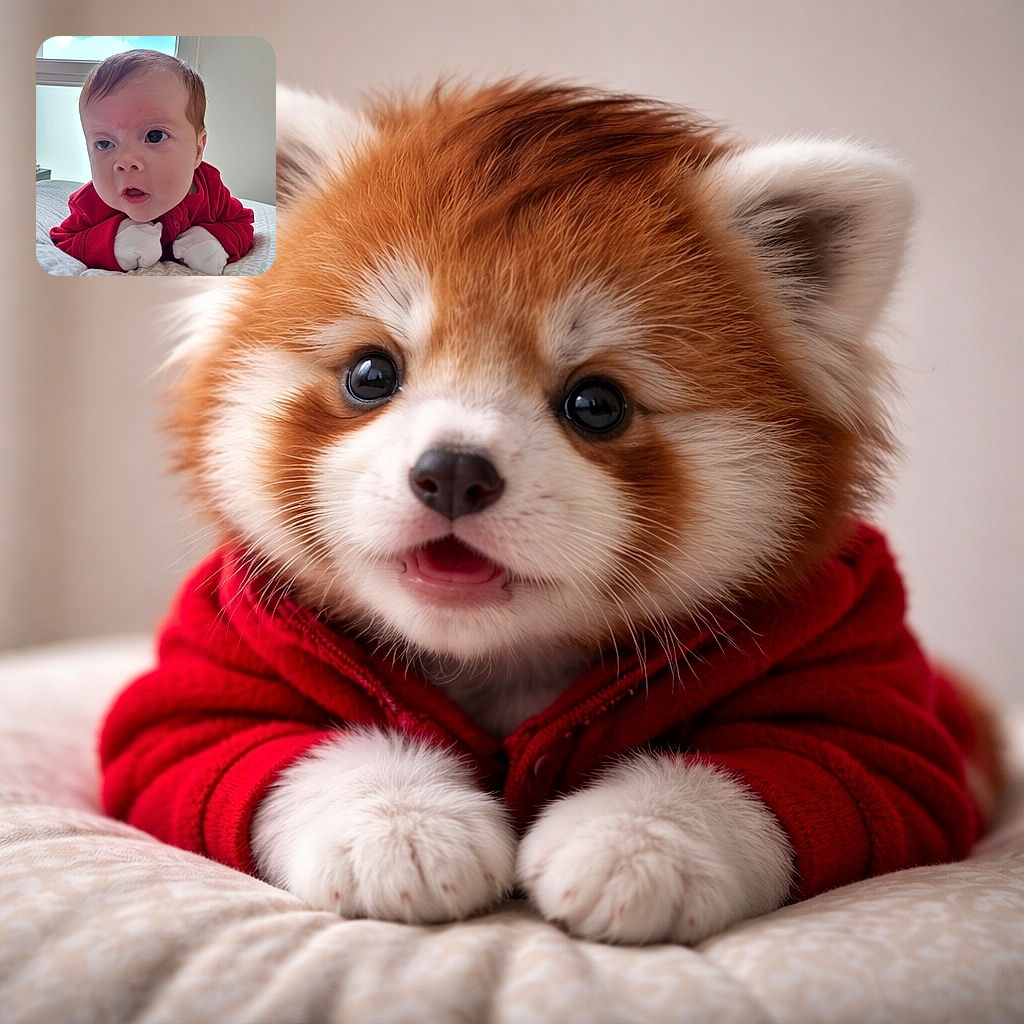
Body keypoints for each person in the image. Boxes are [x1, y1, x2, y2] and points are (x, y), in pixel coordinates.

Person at [50, 49, 254, 274]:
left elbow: (242, 224)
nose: (125, 162)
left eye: (154, 136)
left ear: (197, 150)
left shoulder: (210, 189)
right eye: (104, 143)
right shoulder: (91, 203)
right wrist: (113, 241)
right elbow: (65, 239)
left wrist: (213, 240)